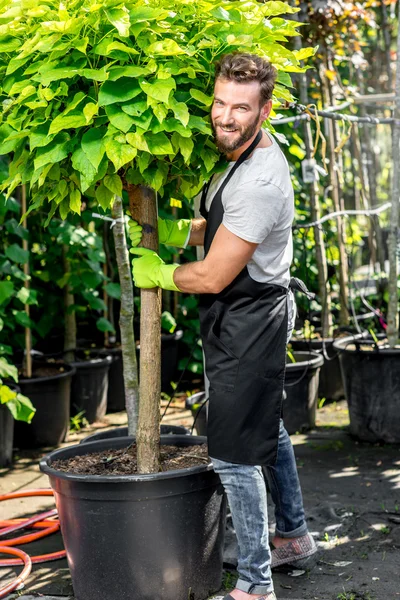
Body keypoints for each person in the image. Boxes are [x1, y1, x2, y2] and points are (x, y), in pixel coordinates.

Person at [128, 52, 317, 600]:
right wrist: (170, 231)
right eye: (219, 103)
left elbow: (212, 275)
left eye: (241, 107)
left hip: (253, 319)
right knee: (267, 426)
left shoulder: (260, 180)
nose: (225, 116)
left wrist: (161, 274)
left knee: (232, 454)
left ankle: (257, 585)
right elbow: (218, 229)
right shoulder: (237, 151)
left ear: (266, 109)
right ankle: (294, 537)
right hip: (243, 311)